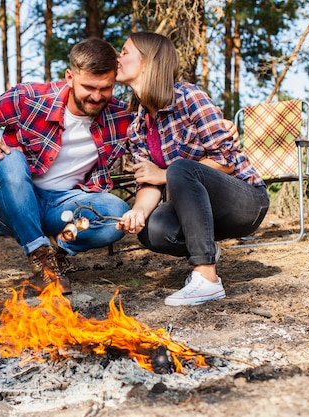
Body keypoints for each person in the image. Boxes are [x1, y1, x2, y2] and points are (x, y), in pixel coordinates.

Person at [0, 38, 134, 295]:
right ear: (70, 77)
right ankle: (40, 257)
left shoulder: (121, 116)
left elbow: (157, 130)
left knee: (116, 214)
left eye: (106, 88)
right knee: (9, 157)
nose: (97, 96)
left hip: (63, 205)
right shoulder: (30, 98)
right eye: (89, 87)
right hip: (15, 202)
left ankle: (57, 250)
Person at [115, 32, 270, 306]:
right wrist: (137, 211)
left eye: (125, 52)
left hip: (245, 201)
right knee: (151, 229)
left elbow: (224, 160)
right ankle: (207, 250)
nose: (118, 57)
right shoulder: (137, 127)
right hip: (198, 212)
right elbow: (147, 182)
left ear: (148, 61)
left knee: (180, 168)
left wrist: (165, 173)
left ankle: (207, 278)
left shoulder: (188, 97)